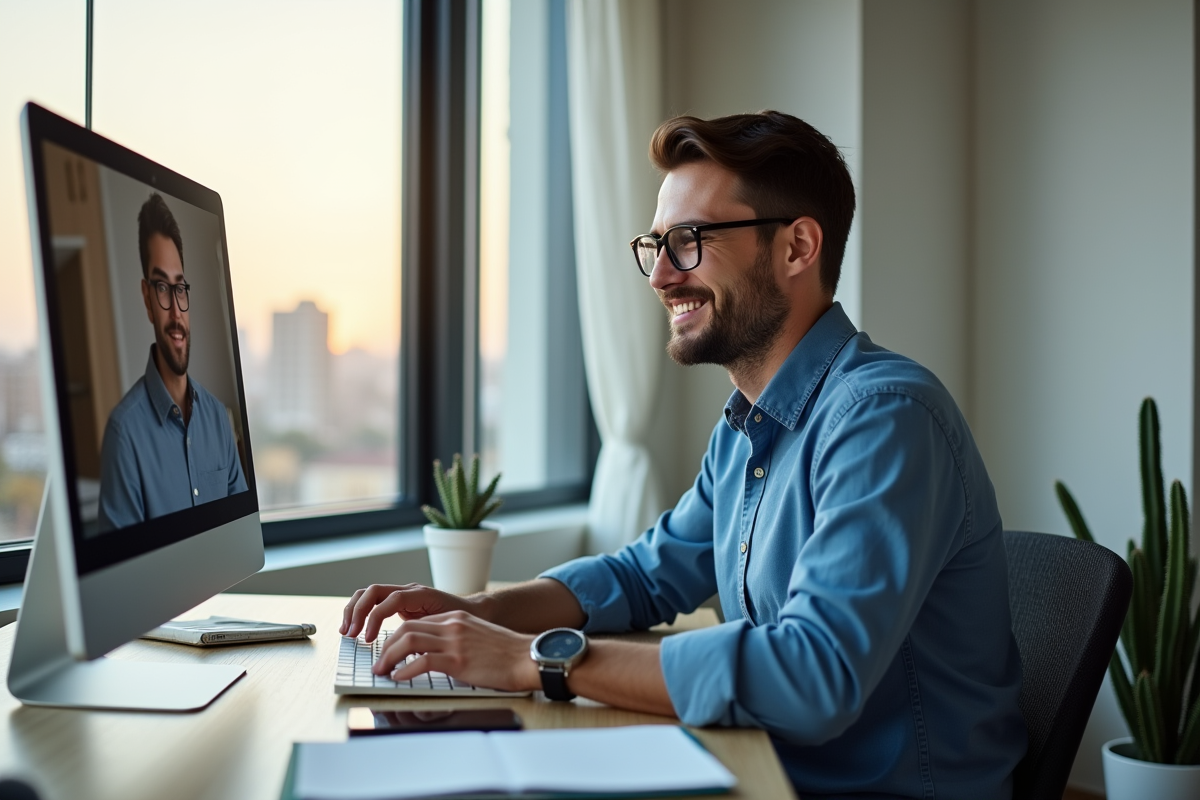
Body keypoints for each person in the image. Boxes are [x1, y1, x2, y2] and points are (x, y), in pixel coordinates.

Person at [340, 111, 1026, 798]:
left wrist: (534, 659)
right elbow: (644, 576)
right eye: (656, 244)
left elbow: (812, 675)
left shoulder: (884, 418)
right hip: (766, 768)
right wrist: (479, 609)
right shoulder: (746, 430)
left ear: (796, 248)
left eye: (691, 241)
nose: (660, 276)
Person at [97, 192, 246, 532]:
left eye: (180, 288)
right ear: (147, 299)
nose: (177, 313)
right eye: (163, 288)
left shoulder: (219, 420)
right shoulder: (124, 435)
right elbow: (128, 575)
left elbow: (237, 537)